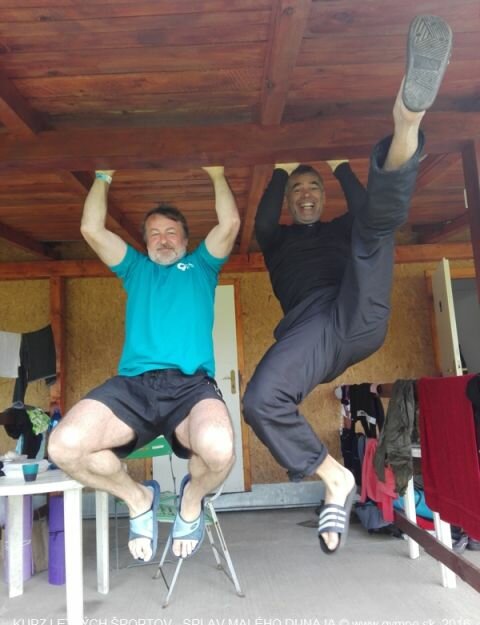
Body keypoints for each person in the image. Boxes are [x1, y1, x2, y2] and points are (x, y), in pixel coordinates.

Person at [243, 15, 453, 554]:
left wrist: (340, 166)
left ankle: (407, 121)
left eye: (313, 187)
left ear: (324, 195)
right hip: (311, 329)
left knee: (373, 230)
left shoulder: (341, 225)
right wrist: (281, 171)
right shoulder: (277, 240)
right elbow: (262, 218)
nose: (306, 195)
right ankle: (334, 478)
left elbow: (364, 209)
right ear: (291, 199)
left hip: (357, 306)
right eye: (298, 190)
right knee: (261, 399)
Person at [48, 166, 240, 562]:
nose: (162, 240)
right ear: (145, 241)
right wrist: (102, 177)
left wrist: (217, 174)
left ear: (185, 240)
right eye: (154, 233)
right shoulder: (136, 269)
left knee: (219, 450)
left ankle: (191, 500)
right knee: (64, 447)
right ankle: (138, 499)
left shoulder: (202, 266)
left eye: (170, 232)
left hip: (191, 386)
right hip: (134, 386)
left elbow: (230, 223)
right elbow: (90, 229)